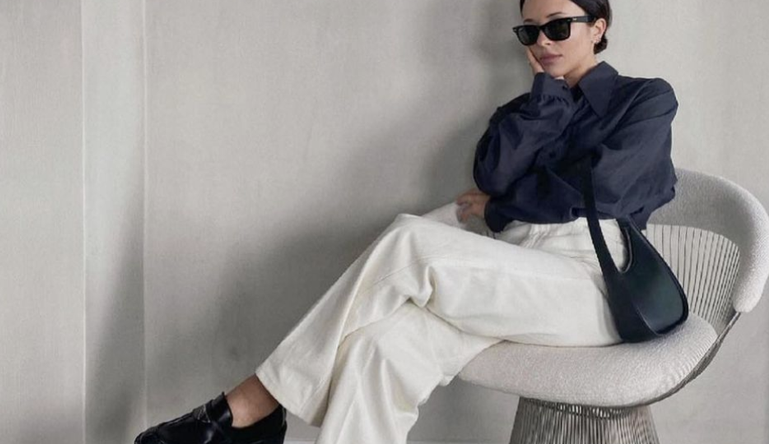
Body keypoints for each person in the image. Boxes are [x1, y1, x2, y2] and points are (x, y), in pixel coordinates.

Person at [134, 0, 679, 443]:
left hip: (593, 283)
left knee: (410, 239)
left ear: (598, 27)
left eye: (557, 26)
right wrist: (548, 103)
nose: (542, 42)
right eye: (529, 31)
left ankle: (253, 405)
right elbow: (493, 174)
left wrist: (501, 208)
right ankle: (258, 413)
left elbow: (603, 190)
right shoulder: (523, 112)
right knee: (377, 351)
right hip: (510, 270)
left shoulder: (645, 99)